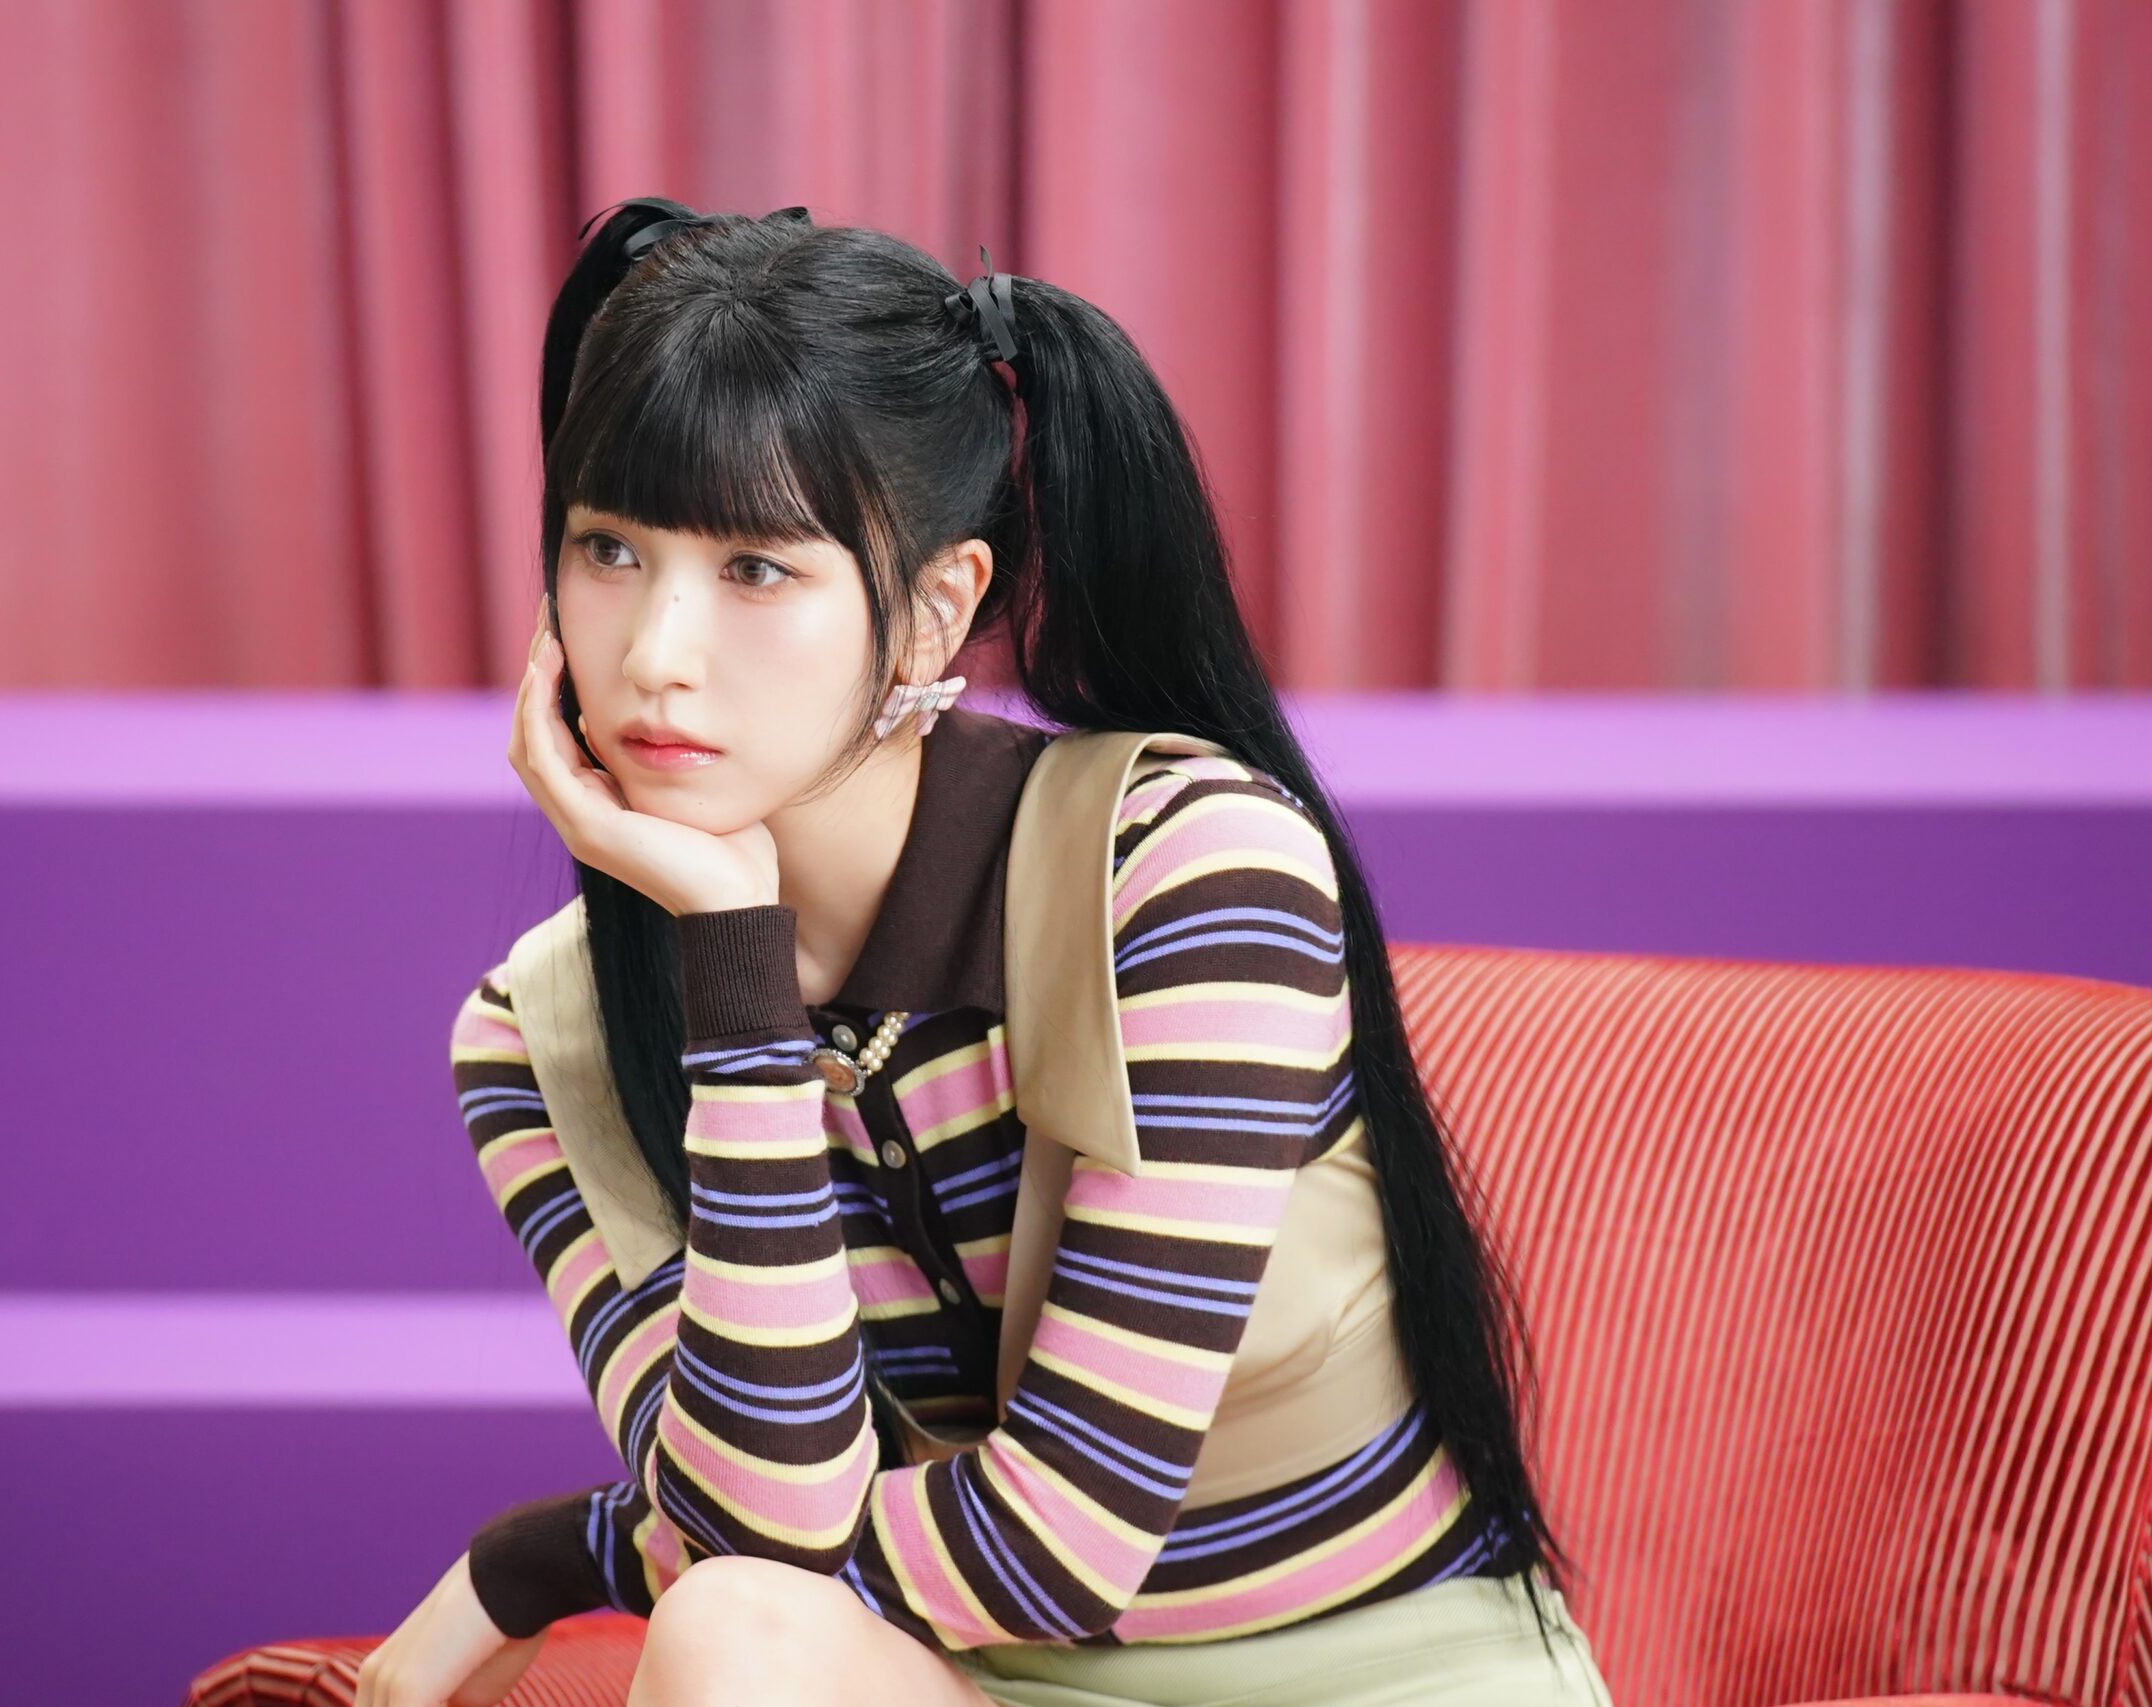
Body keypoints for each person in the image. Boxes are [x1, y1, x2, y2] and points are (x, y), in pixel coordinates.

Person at [354, 198, 1613, 1707]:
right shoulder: (537, 1035)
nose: (654, 655)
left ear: (933, 611)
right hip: (971, 1683)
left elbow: (1059, 1543)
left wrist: (554, 1555)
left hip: (1375, 1675)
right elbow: (757, 1540)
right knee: (734, 1634)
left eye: (756, 569)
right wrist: (734, 966)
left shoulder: (1185, 867)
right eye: (608, 549)